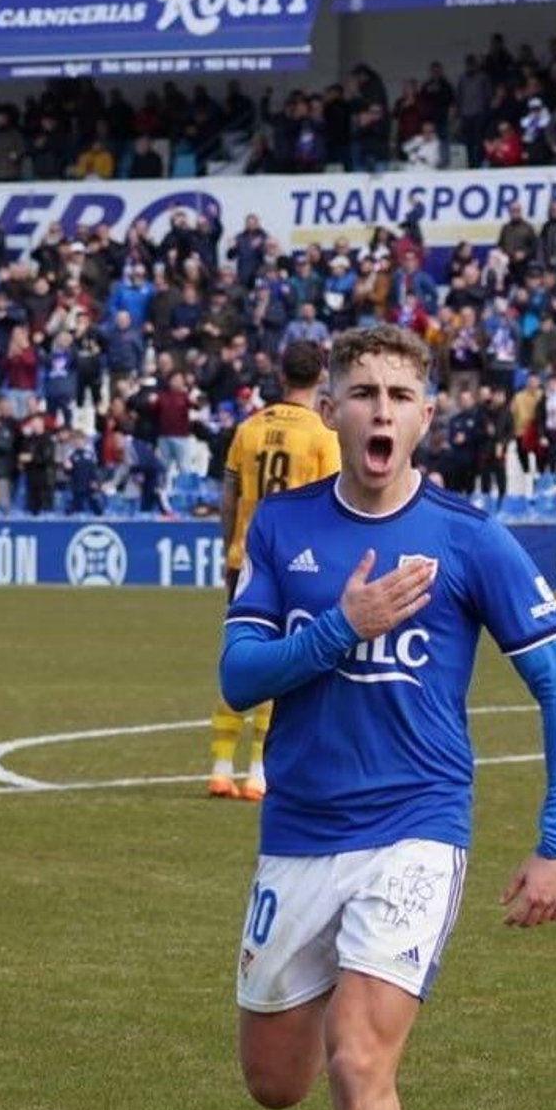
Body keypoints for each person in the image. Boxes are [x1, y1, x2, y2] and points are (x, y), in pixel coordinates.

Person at [219, 324, 556, 1110]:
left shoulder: (470, 538)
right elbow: (238, 679)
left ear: (426, 415)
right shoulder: (283, 526)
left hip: (416, 829)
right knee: (275, 1080)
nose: (380, 409)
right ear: (329, 410)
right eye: (362, 392)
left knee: (358, 1057)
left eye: (398, 394)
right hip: (298, 833)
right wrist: (342, 624)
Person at [210, 341, 341, 802]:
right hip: (298, 563)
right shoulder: (323, 434)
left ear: (281, 375)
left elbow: (229, 497)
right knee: (282, 665)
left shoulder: (248, 428)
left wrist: (230, 546)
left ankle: (219, 768)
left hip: (245, 558)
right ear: (321, 376)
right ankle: (259, 772)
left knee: (239, 656)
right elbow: (333, 501)